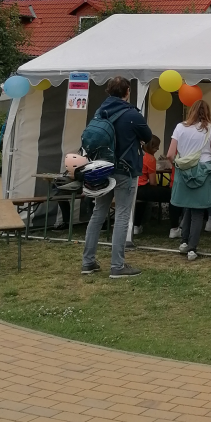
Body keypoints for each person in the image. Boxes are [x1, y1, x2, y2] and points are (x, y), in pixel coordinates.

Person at [81, 76, 152, 278]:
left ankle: (88, 262)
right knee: (122, 214)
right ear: (127, 91)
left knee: (98, 213)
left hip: (101, 168)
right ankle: (117, 265)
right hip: (125, 169)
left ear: (108, 91)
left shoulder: (99, 112)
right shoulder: (132, 115)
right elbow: (148, 137)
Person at [167, 100, 211, 261]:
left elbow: (170, 154)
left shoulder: (180, 127)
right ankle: (192, 248)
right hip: (204, 169)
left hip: (184, 169)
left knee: (188, 207)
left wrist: (177, 165)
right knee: (198, 210)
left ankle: (184, 242)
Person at [133, 136, 181, 238]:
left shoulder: (135, 154)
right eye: (157, 147)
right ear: (151, 146)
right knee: (173, 195)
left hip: (131, 188)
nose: (158, 149)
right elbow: (153, 183)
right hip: (142, 188)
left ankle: (136, 226)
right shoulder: (149, 158)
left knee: (141, 199)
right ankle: (174, 228)